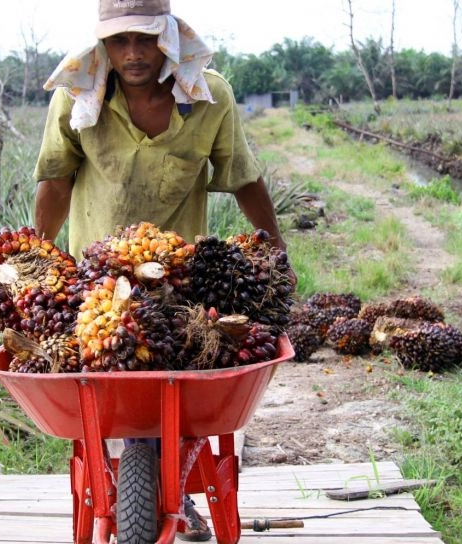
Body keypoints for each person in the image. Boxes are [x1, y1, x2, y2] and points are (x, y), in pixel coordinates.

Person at [33, 0, 294, 540]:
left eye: (145, 40)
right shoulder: (78, 97)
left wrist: (277, 249)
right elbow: (56, 181)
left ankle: (155, 482)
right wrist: (37, 257)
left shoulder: (207, 97)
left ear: (170, 39)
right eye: (120, 40)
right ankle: (145, 484)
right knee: (123, 388)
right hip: (97, 283)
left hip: (180, 282)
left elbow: (242, 178)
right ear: (103, 42)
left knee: (161, 387)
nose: (132, 54)